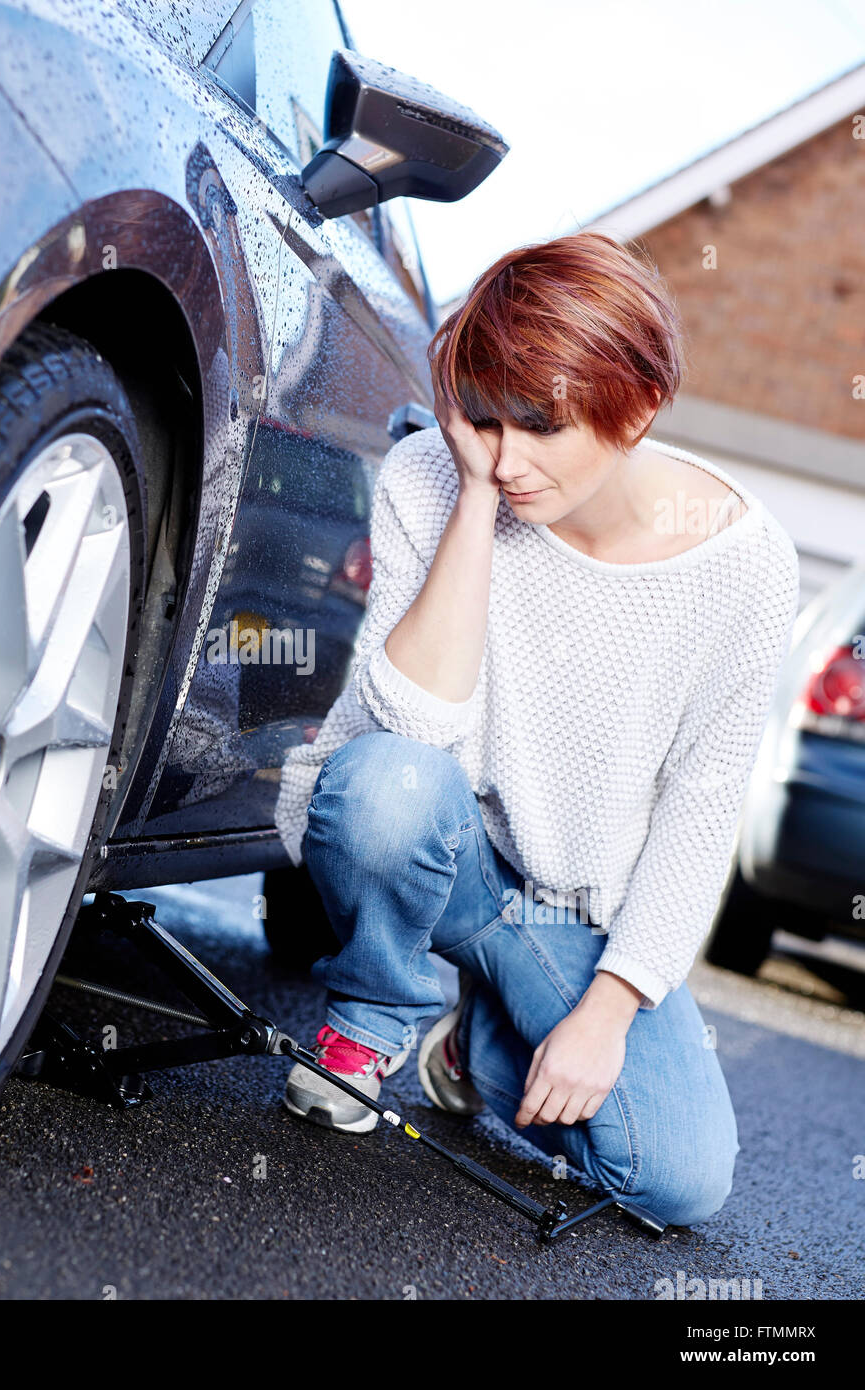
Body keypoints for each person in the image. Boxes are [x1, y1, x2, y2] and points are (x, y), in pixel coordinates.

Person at [272, 230, 800, 1228]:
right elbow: (410, 728)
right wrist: (471, 498)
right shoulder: (436, 476)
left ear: (635, 409)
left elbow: (700, 810)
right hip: (440, 837)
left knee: (677, 1177)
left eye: (539, 426)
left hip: (571, 911)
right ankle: (373, 1016)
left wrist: (604, 1013)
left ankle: (476, 1044)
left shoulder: (742, 566)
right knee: (385, 784)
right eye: (482, 418)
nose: (506, 456)